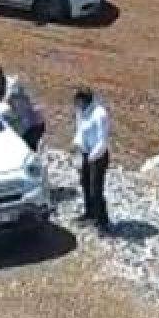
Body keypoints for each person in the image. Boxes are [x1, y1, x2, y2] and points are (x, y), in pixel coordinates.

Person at [72, 86, 111, 233]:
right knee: (85, 184)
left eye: (79, 101)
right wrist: (77, 145)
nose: (77, 105)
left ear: (85, 100)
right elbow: (80, 130)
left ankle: (102, 221)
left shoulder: (100, 114)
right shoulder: (80, 112)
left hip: (98, 156)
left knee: (96, 190)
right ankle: (89, 214)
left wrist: (92, 157)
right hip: (86, 153)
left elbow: (103, 140)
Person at [0, 64, 47, 151]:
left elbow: (8, 102)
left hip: (31, 126)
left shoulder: (13, 84)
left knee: (28, 151)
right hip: (17, 128)